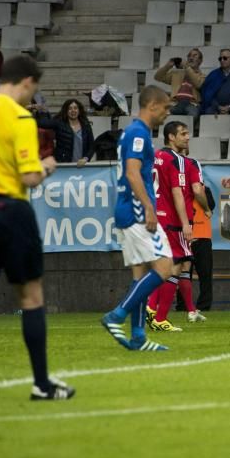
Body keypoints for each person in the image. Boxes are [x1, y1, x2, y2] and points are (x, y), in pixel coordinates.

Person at [0, 55, 75, 400]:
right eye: (32, 90)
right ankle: (42, 384)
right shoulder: (19, 116)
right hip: (9, 207)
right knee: (31, 295)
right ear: (25, 82)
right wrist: (47, 165)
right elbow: (29, 176)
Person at [100, 85, 175, 352]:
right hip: (136, 212)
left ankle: (139, 337)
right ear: (152, 105)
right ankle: (116, 315)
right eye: (165, 107)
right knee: (165, 267)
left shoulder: (133, 132)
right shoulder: (138, 133)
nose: (167, 113)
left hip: (127, 210)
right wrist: (149, 208)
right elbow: (133, 174)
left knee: (141, 274)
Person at [144, 121, 204, 331]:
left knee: (164, 266)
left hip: (156, 218)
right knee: (176, 266)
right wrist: (186, 224)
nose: (187, 137)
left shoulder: (156, 157)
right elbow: (178, 192)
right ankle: (158, 317)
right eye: (183, 133)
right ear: (171, 137)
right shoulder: (177, 160)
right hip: (171, 221)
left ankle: (152, 310)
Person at [182, 143, 214, 312]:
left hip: (199, 235)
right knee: (186, 273)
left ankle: (200, 306)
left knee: (199, 274)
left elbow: (212, 205)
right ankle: (187, 306)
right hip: (189, 235)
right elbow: (210, 207)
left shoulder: (203, 189)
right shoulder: (183, 190)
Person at [39, 99, 94, 166]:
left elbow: (92, 146)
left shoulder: (86, 125)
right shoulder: (59, 123)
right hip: (63, 165)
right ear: (66, 111)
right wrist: (43, 112)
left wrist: (86, 158)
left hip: (81, 166)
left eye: (75, 108)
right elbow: (42, 123)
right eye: (70, 108)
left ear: (79, 110)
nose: (73, 110)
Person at [153, 47, 204, 116]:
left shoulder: (203, 76)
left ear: (200, 61)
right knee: (160, 114)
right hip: (175, 104)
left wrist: (187, 67)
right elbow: (157, 77)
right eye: (189, 56)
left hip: (192, 104)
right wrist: (167, 66)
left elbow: (198, 84)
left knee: (192, 115)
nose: (191, 58)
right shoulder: (176, 73)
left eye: (194, 56)